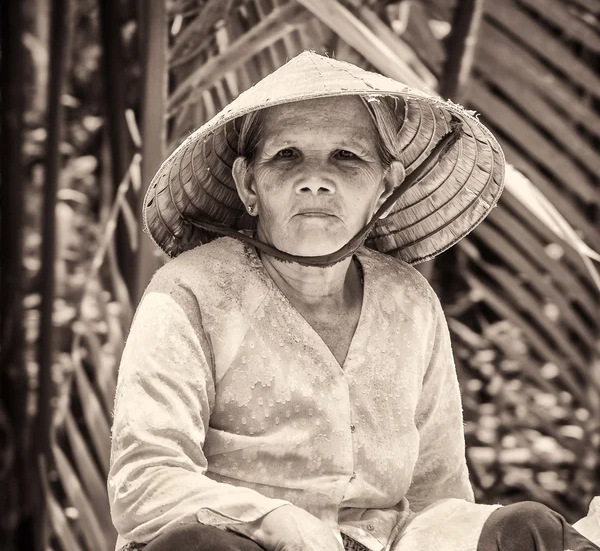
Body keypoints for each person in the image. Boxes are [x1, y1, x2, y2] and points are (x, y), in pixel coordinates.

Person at [107, 51, 599, 551]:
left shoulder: (409, 300)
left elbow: (439, 494)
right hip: (245, 541)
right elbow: (145, 480)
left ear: (385, 185)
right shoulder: (191, 290)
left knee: (527, 529)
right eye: (286, 155)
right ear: (248, 184)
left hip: (391, 543)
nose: (316, 178)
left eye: (347, 156)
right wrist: (279, 524)